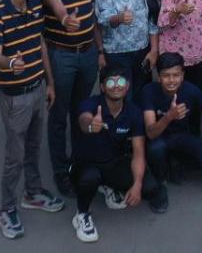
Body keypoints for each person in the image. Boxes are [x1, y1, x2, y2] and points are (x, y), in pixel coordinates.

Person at [0, 0, 62, 240]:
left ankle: (32, 193)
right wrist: (10, 64)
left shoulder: (34, 6)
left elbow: (41, 44)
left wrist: (50, 82)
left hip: (37, 90)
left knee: (32, 147)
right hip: (14, 97)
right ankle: (7, 208)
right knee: (14, 156)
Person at [34, 0, 101, 199]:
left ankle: (79, 162)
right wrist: (64, 19)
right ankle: (61, 172)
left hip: (88, 54)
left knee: (81, 109)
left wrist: (100, 50)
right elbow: (54, 3)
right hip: (61, 56)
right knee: (59, 114)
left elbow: (93, 15)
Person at [71, 66, 166, 242]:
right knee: (90, 177)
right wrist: (91, 125)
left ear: (127, 86)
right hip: (85, 165)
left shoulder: (134, 112)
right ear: (102, 87)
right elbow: (83, 120)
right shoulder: (90, 104)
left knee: (149, 187)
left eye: (121, 81)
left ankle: (108, 186)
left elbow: (138, 152)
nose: (116, 86)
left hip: (113, 163)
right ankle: (82, 214)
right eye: (110, 82)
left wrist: (137, 184)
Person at [141, 51, 202, 204]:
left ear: (183, 75)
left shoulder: (190, 90)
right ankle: (161, 182)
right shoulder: (149, 92)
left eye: (176, 75)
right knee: (155, 149)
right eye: (166, 75)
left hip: (182, 137)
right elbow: (151, 133)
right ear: (158, 77)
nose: (172, 80)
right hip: (160, 139)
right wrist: (169, 116)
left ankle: (177, 164)